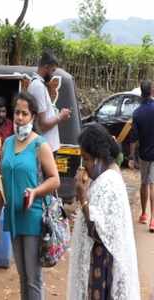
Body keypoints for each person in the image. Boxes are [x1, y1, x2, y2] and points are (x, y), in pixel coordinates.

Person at [0, 92, 60, 300]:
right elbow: (3, 184)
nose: (20, 117)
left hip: (33, 217)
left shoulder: (40, 145)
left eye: (24, 113)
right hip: (13, 216)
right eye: (17, 113)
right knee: (22, 275)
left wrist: (35, 191)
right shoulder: (7, 144)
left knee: (33, 278)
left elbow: (55, 179)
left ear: (33, 117)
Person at [68, 123, 140, 300]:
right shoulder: (103, 178)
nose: (83, 165)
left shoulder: (109, 184)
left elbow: (99, 232)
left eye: (86, 159)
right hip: (99, 264)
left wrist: (83, 197)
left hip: (103, 267)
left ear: (98, 158)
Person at [27, 51, 71, 152]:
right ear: (46, 67)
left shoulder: (38, 85)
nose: (52, 74)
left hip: (47, 147)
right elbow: (42, 125)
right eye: (52, 70)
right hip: (46, 149)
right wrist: (60, 116)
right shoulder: (37, 86)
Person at [129, 79, 154, 232]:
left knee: (144, 183)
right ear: (151, 91)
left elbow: (134, 138)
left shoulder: (137, 113)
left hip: (144, 154)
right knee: (153, 184)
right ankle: (153, 220)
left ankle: (144, 214)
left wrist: (131, 157)